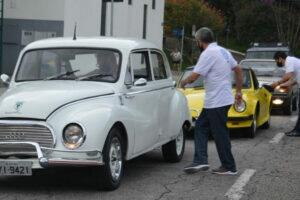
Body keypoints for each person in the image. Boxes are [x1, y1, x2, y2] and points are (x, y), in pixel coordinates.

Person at [180, 27, 243, 175]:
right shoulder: (223, 51)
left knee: (219, 133)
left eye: (197, 42)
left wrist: (183, 82)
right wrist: (238, 91)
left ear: (200, 42)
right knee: (201, 127)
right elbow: (239, 69)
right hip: (220, 99)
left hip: (217, 101)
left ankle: (229, 166)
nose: (197, 44)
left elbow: (195, 76)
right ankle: (200, 160)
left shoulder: (208, 53)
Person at [271, 51, 300, 137]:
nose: (276, 62)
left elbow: (288, 76)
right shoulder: (294, 62)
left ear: (280, 58)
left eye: (276, 60)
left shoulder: (289, 61)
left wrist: (277, 83)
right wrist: (279, 85)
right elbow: (292, 81)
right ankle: (297, 130)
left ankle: (297, 131)